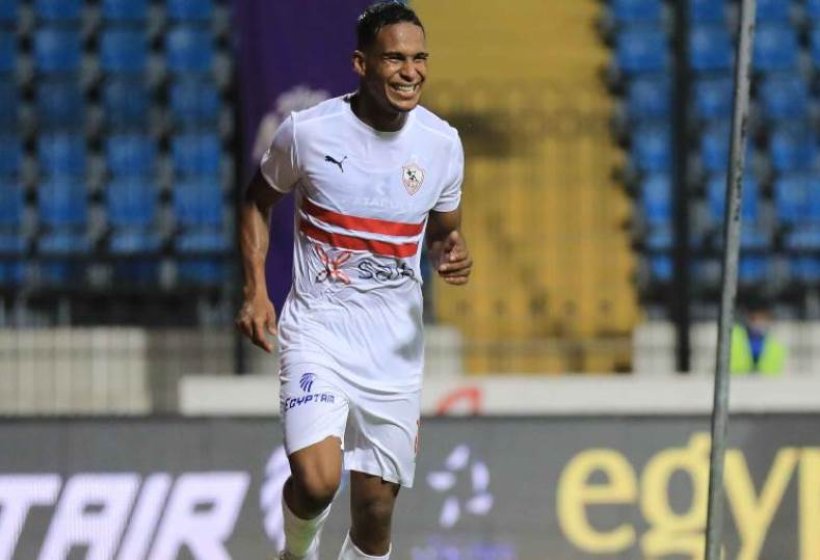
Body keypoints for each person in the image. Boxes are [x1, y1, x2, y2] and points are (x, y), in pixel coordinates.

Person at [235, 3, 472, 559]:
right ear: (361, 64)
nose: (410, 71)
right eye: (395, 58)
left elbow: (445, 235)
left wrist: (454, 254)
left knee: (375, 512)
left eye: (419, 58)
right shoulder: (308, 133)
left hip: (393, 349)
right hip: (320, 332)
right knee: (317, 481)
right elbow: (256, 202)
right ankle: (296, 553)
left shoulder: (441, 144)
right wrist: (256, 291)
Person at [730, 297, 786, 376]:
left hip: (767, 382)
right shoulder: (733, 336)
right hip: (737, 380)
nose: (759, 322)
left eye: (763, 318)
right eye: (755, 318)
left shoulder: (777, 342)